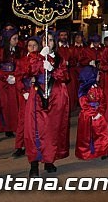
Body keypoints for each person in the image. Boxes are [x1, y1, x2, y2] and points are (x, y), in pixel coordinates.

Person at [25, 32, 70, 177]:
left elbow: (65, 76)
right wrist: (40, 58)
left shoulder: (59, 58)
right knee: (35, 129)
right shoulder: (33, 56)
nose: (48, 43)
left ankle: (49, 160)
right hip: (38, 96)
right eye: (45, 40)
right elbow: (30, 70)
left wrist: (52, 69)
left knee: (52, 129)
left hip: (55, 96)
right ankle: (34, 164)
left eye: (50, 40)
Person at [0, 28, 22, 141]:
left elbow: (20, 65)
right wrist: (5, 77)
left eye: (17, 38)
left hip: (13, 81)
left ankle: (9, 128)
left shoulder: (18, 51)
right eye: (14, 38)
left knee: (12, 106)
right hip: (0, 83)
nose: (17, 41)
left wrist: (15, 76)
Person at [12, 37, 41, 157]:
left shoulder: (42, 59)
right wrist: (23, 91)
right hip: (26, 94)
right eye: (30, 45)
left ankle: (38, 144)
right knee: (23, 120)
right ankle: (20, 146)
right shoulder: (22, 61)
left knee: (39, 120)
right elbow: (18, 77)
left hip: (39, 93)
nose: (32, 47)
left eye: (34, 45)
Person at [75, 66, 108, 160]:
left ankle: (103, 151)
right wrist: (93, 114)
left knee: (102, 134)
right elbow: (84, 104)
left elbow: (103, 100)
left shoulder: (98, 88)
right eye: (98, 74)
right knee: (87, 136)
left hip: (99, 115)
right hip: (88, 116)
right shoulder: (83, 90)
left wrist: (100, 112)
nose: (99, 75)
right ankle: (86, 153)